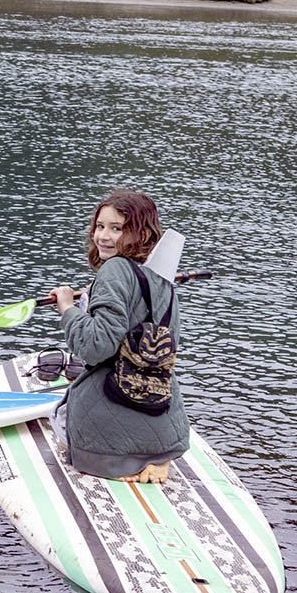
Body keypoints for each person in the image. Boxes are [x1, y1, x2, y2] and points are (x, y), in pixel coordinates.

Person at [48, 189, 188, 484]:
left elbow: (95, 347)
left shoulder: (114, 270)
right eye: (100, 227)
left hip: (107, 441)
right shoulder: (164, 280)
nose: (103, 237)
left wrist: (68, 309)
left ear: (141, 233)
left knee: (57, 416)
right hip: (165, 429)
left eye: (117, 228)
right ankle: (155, 459)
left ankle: (119, 465)